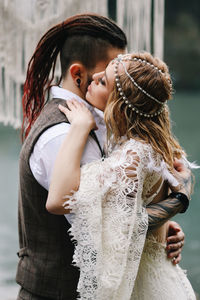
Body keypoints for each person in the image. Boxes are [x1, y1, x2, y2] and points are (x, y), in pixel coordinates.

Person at [17, 13, 189, 300]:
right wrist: (177, 202)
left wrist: (165, 229)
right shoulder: (63, 134)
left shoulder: (110, 128)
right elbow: (103, 224)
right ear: (78, 75)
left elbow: (129, 202)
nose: (119, 79)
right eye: (109, 71)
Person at [47, 52, 196, 300]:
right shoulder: (152, 145)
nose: (93, 77)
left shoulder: (134, 154)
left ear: (119, 102)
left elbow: (58, 201)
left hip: (144, 288)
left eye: (103, 81)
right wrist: (170, 217)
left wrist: (80, 127)